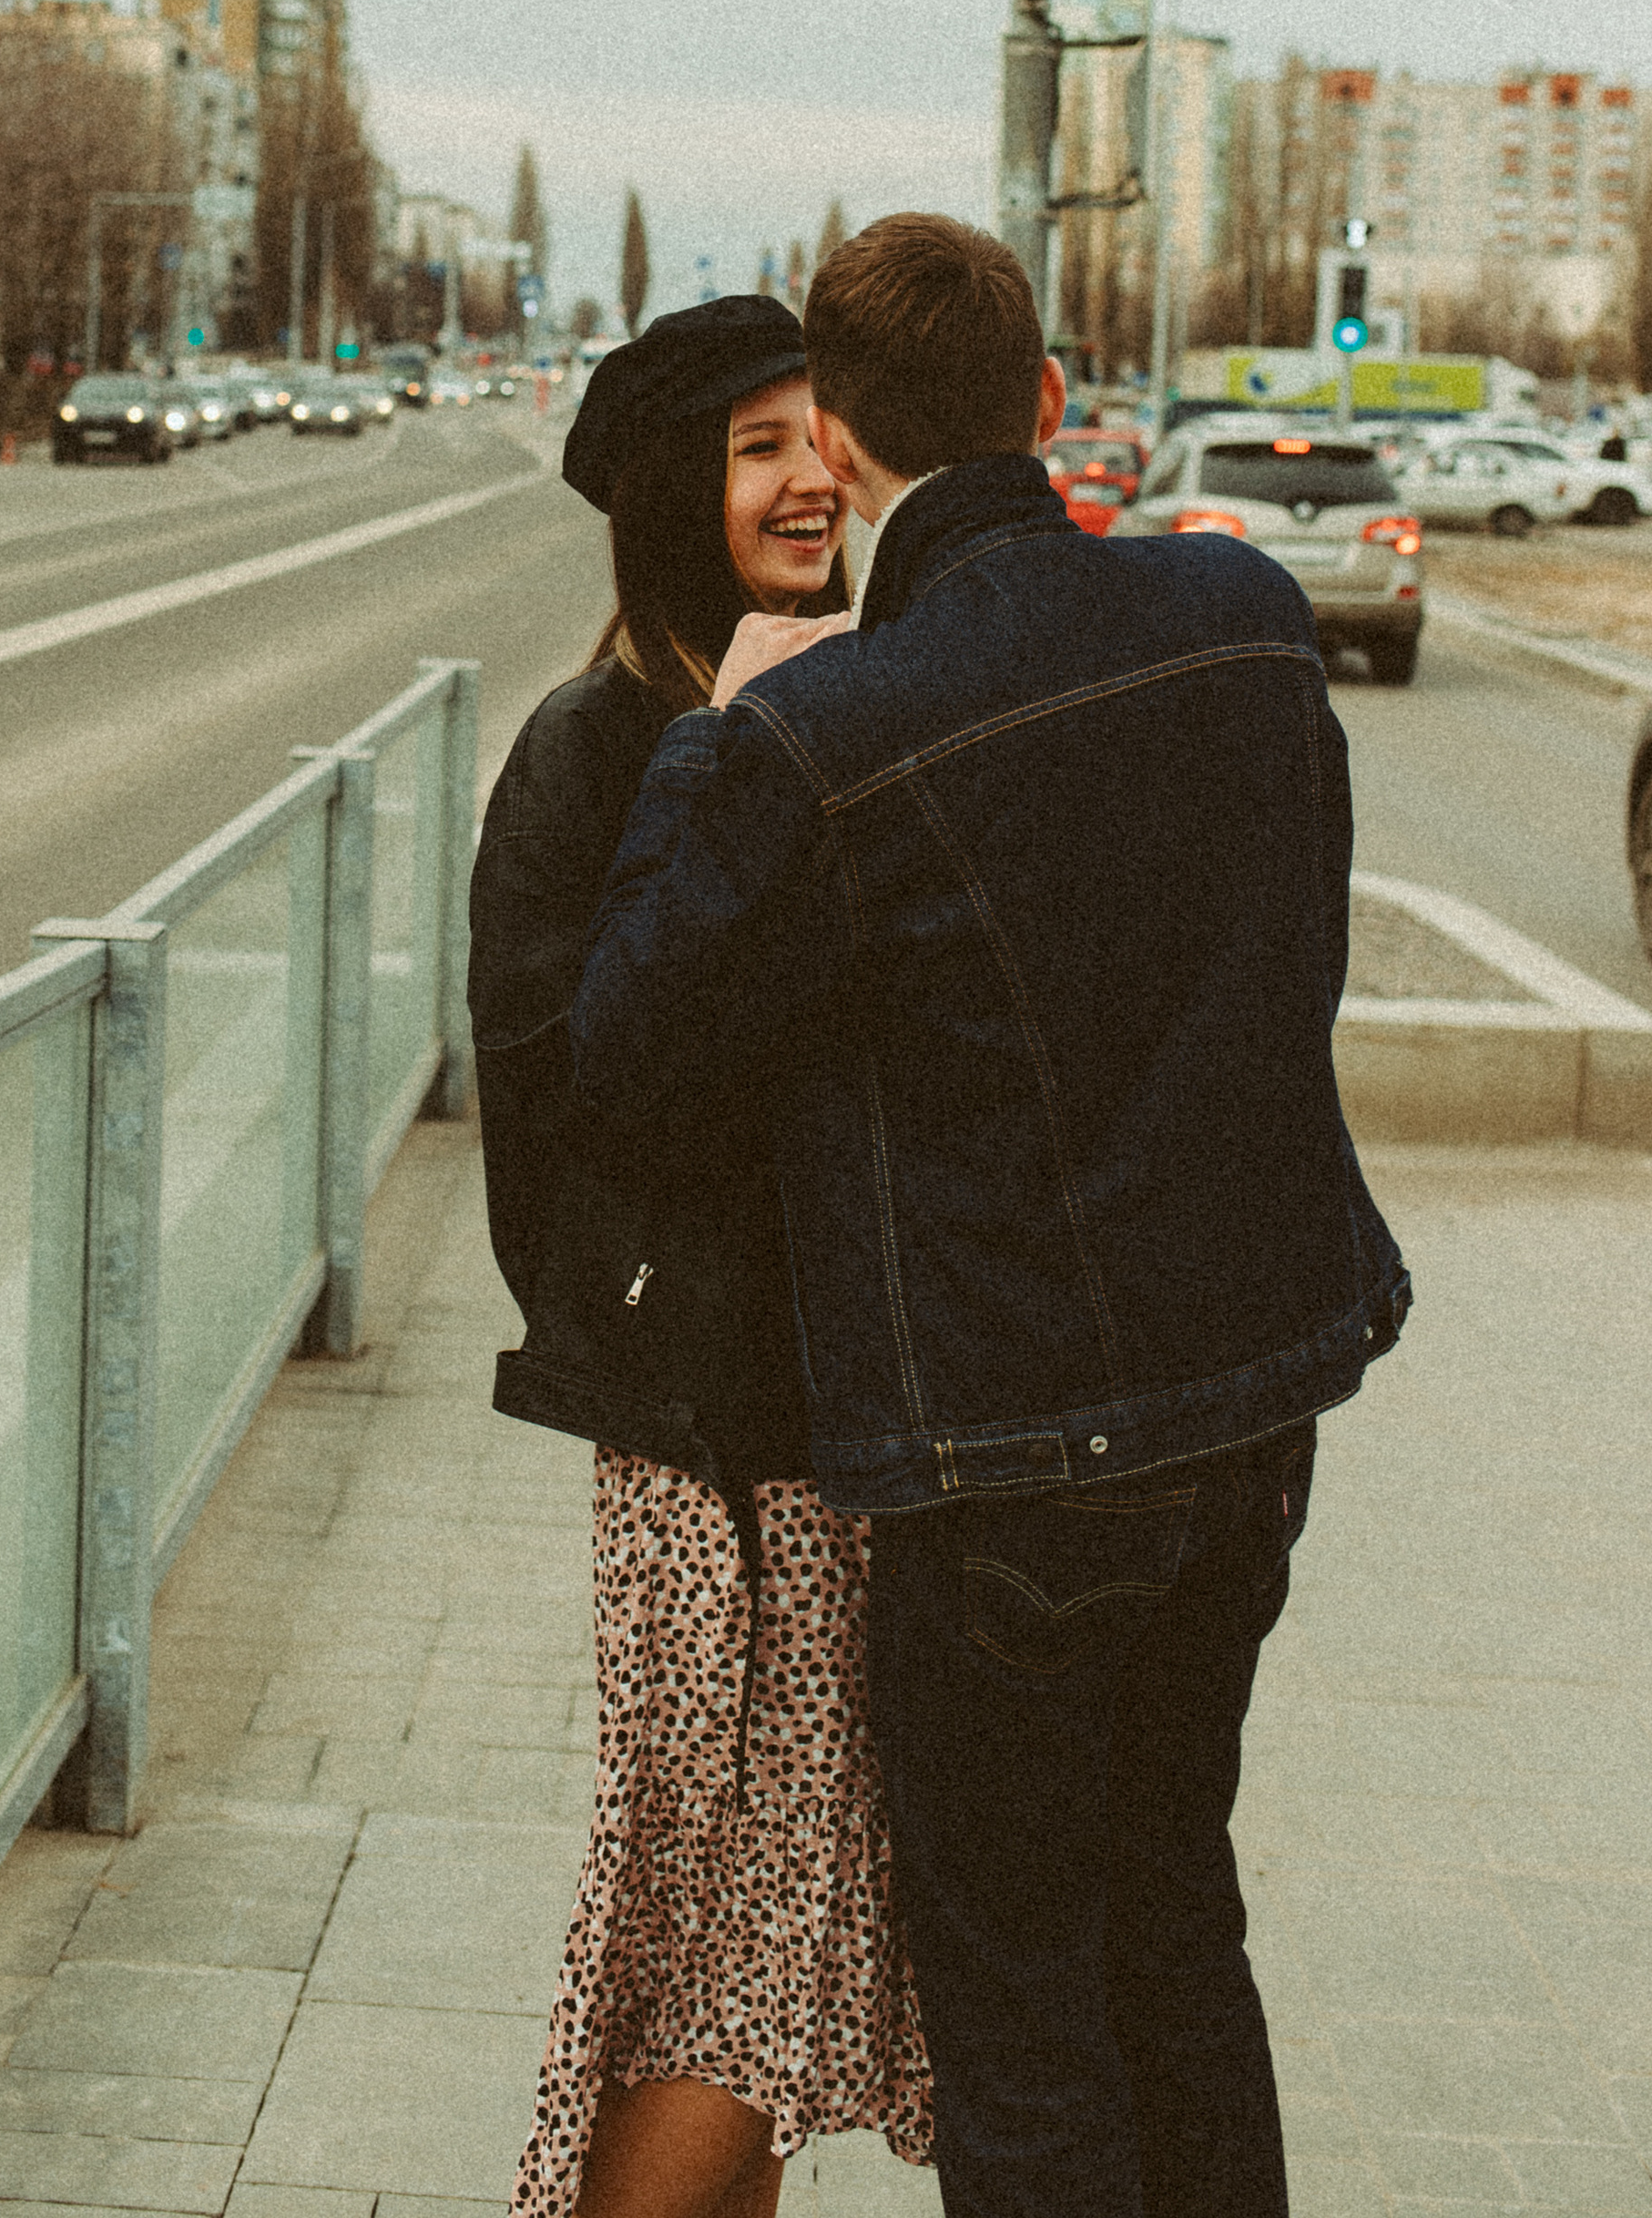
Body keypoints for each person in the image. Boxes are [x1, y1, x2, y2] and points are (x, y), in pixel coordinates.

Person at [570, 214, 1411, 2218]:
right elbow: (1287, 946)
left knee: (1022, 2003)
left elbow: (623, 1053)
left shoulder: (828, 732)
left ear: (839, 445)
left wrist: (712, 735)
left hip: (1011, 1459)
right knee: (1174, 1929)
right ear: (1042, 405)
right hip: (1255, 1405)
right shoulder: (1242, 613)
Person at [471, 295, 932, 2218]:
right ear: (676, 493)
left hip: (838, 1436)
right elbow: (566, 1119)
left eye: (817, 432)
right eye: (757, 448)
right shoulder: (601, 751)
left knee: (736, 1962)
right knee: (733, 1980)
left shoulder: (857, 699)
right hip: (721, 1461)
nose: (809, 472)